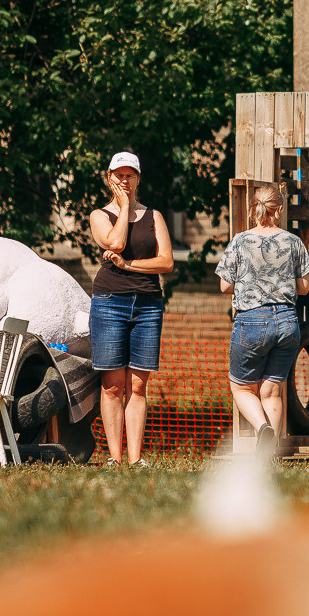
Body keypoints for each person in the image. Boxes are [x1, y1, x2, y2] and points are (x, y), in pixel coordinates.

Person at [89, 151, 174, 467]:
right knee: (112, 385)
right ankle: (114, 457)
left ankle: (136, 460)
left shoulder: (155, 217)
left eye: (130, 175)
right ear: (109, 177)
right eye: (119, 174)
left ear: (138, 178)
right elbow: (115, 243)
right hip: (110, 303)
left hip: (149, 305)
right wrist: (124, 207)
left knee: (138, 385)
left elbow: (166, 262)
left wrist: (130, 266)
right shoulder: (99, 215)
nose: (124, 180)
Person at [215, 186, 309, 455]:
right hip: (286, 322)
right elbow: (304, 287)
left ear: (252, 209)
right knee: (272, 391)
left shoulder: (240, 241)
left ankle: (262, 429)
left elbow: (225, 285)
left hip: (252, 321)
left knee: (242, 387)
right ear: (279, 210)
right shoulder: (293, 242)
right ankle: (269, 458)